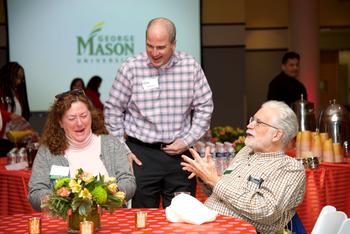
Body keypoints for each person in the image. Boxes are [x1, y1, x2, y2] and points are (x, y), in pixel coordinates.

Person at [104, 17, 213, 208]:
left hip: (180, 155)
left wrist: (187, 140)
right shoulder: (131, 67)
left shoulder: (190, 66)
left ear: (173, 44)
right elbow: (112, 110)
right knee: (142, 219)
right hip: (141, 155)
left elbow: (205, 106)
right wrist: (123, 149)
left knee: (182, 217)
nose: (154, 53)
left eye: (161, 47)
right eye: (149, 46)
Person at [181, 100, 306, 234]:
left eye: (258, 123)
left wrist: (214, 180)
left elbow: (265, 211)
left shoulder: (289, 168)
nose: (249, 125)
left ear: (276, 135)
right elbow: (224, 195)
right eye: (252, 119)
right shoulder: (245, 151)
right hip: (207, 225)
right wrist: (205, 177)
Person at [28, 89, 136, 211]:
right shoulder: (47, 151)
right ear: (60, 122)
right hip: (66, 224)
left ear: (91, 115)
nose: (79, 123)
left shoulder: (111, 144)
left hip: (111, 221)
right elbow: (35, 193)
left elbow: (129, 182)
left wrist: (109, 193)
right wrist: (60, 199)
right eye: (72, 118)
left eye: (83, 116)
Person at [0, 62, 31, 154]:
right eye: (17, 77)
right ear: (8, 75)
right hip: (2, 138)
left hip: (13, 140)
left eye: (21, 78)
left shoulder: (17, 94)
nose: (19, 81)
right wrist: (9, 116)